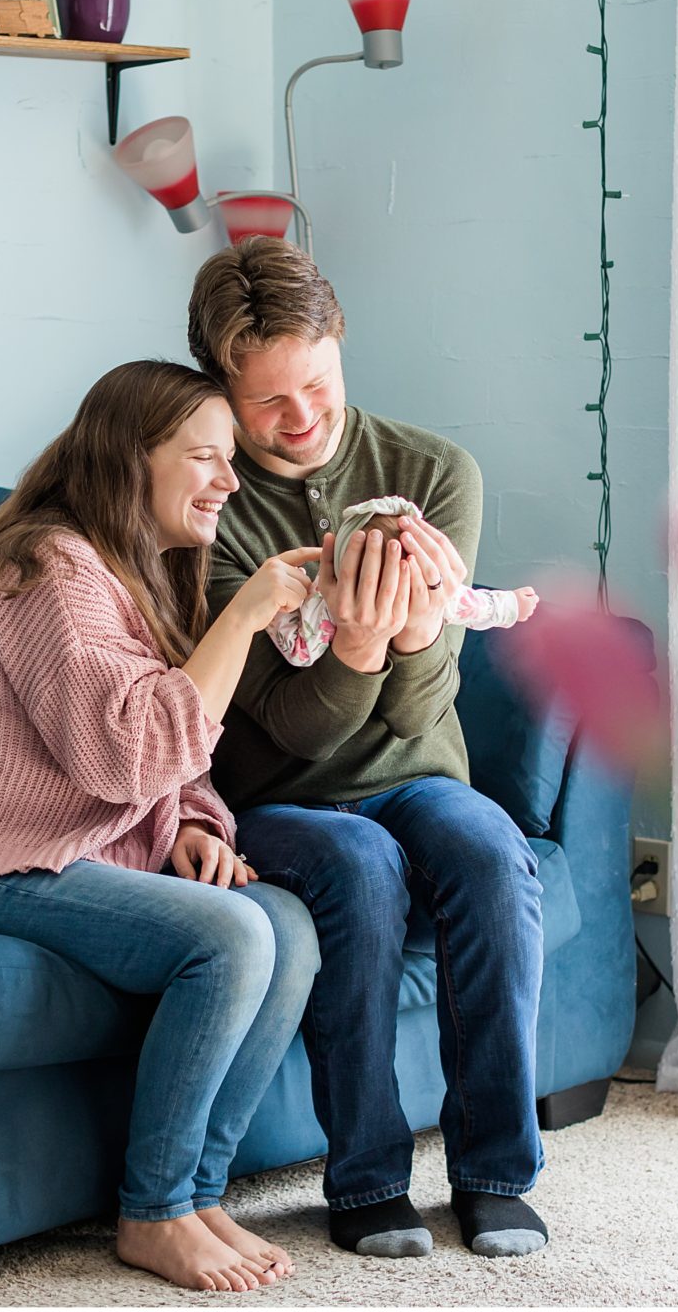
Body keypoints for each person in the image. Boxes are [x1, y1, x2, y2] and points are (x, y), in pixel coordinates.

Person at [0, 359, 325, 1293]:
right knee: (226, 937)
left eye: (230, 459)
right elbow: (128, 753)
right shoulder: (47, 565)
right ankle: (153, 1210)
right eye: (205, 457)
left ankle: (197, 1187)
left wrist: (191, 822)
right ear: (128, 460)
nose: (229, 478)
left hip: (85, 858)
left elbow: (164, 760)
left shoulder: (136, 569)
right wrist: (248, 613)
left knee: (287, 926)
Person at [188, 237, 552, 1260]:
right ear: (221, 388)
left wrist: (416, 635)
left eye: (316, 383)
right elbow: (292, 732)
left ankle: (494, 1173)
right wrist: (358, 642)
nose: (300, 419)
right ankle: (365, 1181)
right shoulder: (205, 513)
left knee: (486, 852)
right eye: (265, 402)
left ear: (341, 345)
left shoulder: (432, 473)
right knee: (355, 862)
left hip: (416, 775)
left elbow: (416, 713)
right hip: (276, 796)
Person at [263, 494, 540, 667]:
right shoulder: (329, 605)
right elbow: (477, 606)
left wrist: (280, 609)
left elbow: (300, 651)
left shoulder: (431, 595)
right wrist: (511, 606)